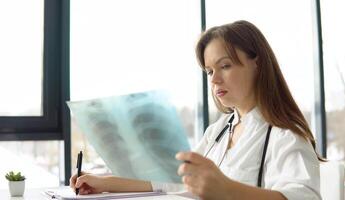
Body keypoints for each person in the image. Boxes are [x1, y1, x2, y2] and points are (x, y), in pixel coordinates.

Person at [70, 20, 322, 200]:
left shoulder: (286, 134)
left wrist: (227, 191)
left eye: (225, 66)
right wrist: (107, 184)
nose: (214, 81)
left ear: (257, 63)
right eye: (210, 71)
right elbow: (175, 183)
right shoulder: (218, 131)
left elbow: (304, 197)